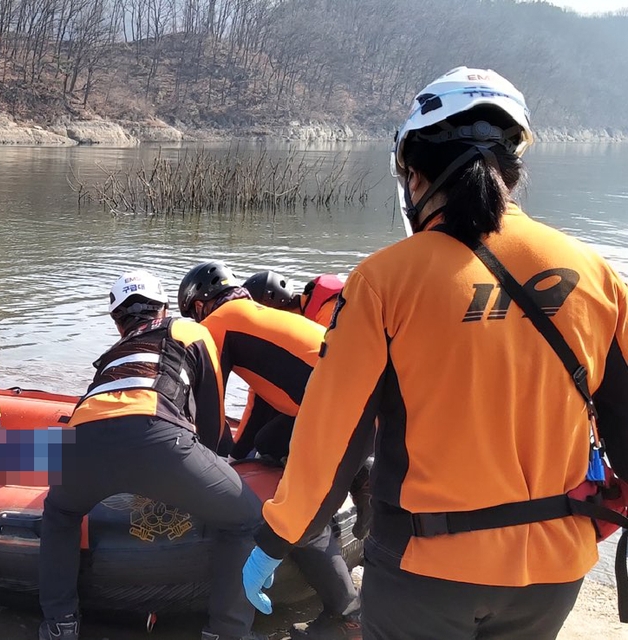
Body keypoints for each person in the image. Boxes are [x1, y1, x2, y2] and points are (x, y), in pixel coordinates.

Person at [242, 66, 628, 640]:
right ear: (514, 169)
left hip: (425, 574)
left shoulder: (383, 280)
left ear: (415, 177)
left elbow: (334, 433)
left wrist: (280, 536)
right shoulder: (596, 274)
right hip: (554, 572)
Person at [38, 270, 264, 640]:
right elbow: (212, 415)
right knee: (245, 520)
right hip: (156, 439)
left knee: (60, 515)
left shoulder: (112, 355)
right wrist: (211, 465)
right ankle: (227, 632)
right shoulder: (190, 331)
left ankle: (59, 624)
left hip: (80, 441)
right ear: (162, 306)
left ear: (116, 320)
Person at [179, 261, 362, 639]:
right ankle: (362, 474)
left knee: (298, 513)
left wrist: (212, 462)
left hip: (335, 410)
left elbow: (210, 401)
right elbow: (259, 407)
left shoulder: (216, 325)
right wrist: (240, 454)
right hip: (350, 401)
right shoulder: (253, 319)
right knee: (268, 444)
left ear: (199, 307)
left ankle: (348, 614)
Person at [241, 271, 372, 543]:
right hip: (342, 399)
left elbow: (335, 373)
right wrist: (237, 451)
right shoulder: (306, 318)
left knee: (283, 441)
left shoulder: (330, 313)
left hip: (355, 403)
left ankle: (358, 483)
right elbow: (260, 396)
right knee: (267, 439)